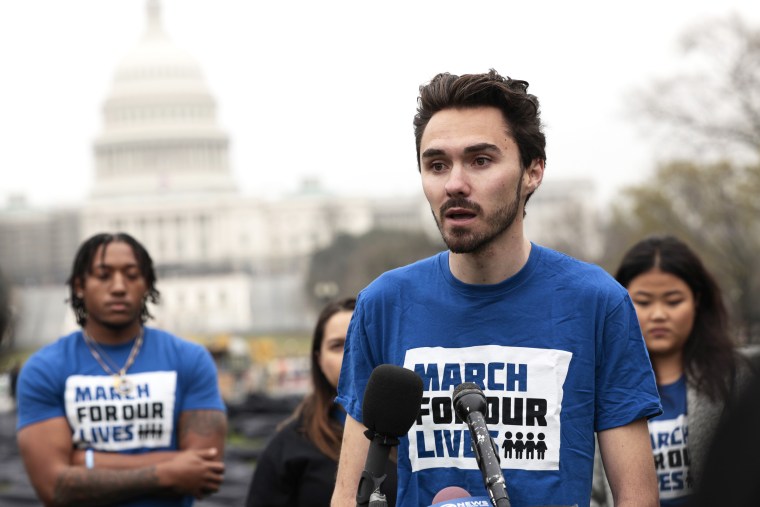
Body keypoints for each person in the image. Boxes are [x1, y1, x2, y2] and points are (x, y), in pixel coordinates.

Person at [331, 69, 662, 507]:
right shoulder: (383, 304)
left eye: (480, 160)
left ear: (533, 170)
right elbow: (348, 493)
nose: (454, 184)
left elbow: (637, 497)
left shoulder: (598, 301)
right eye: (437, 165)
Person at [15, 232, 228, 507]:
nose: (118, 287)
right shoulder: (44, 369)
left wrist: (85, 460)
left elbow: (205, 473)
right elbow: (55, 488)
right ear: (80, 285)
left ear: (147, 284)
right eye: (103, 276)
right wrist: (169, 471)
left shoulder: (190, 359)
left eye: (131, 275)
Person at [603, 235, 755, 506]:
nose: (659, 314)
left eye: (673, 301)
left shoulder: (737, 378)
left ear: (696, 301)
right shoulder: (601, 384)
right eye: (644, 301)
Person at [245, 297, 397, 506]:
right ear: (318, 360)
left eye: (363, 341)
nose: (353, 355)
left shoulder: (418, 433)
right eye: (337, 346)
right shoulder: (289, 445)